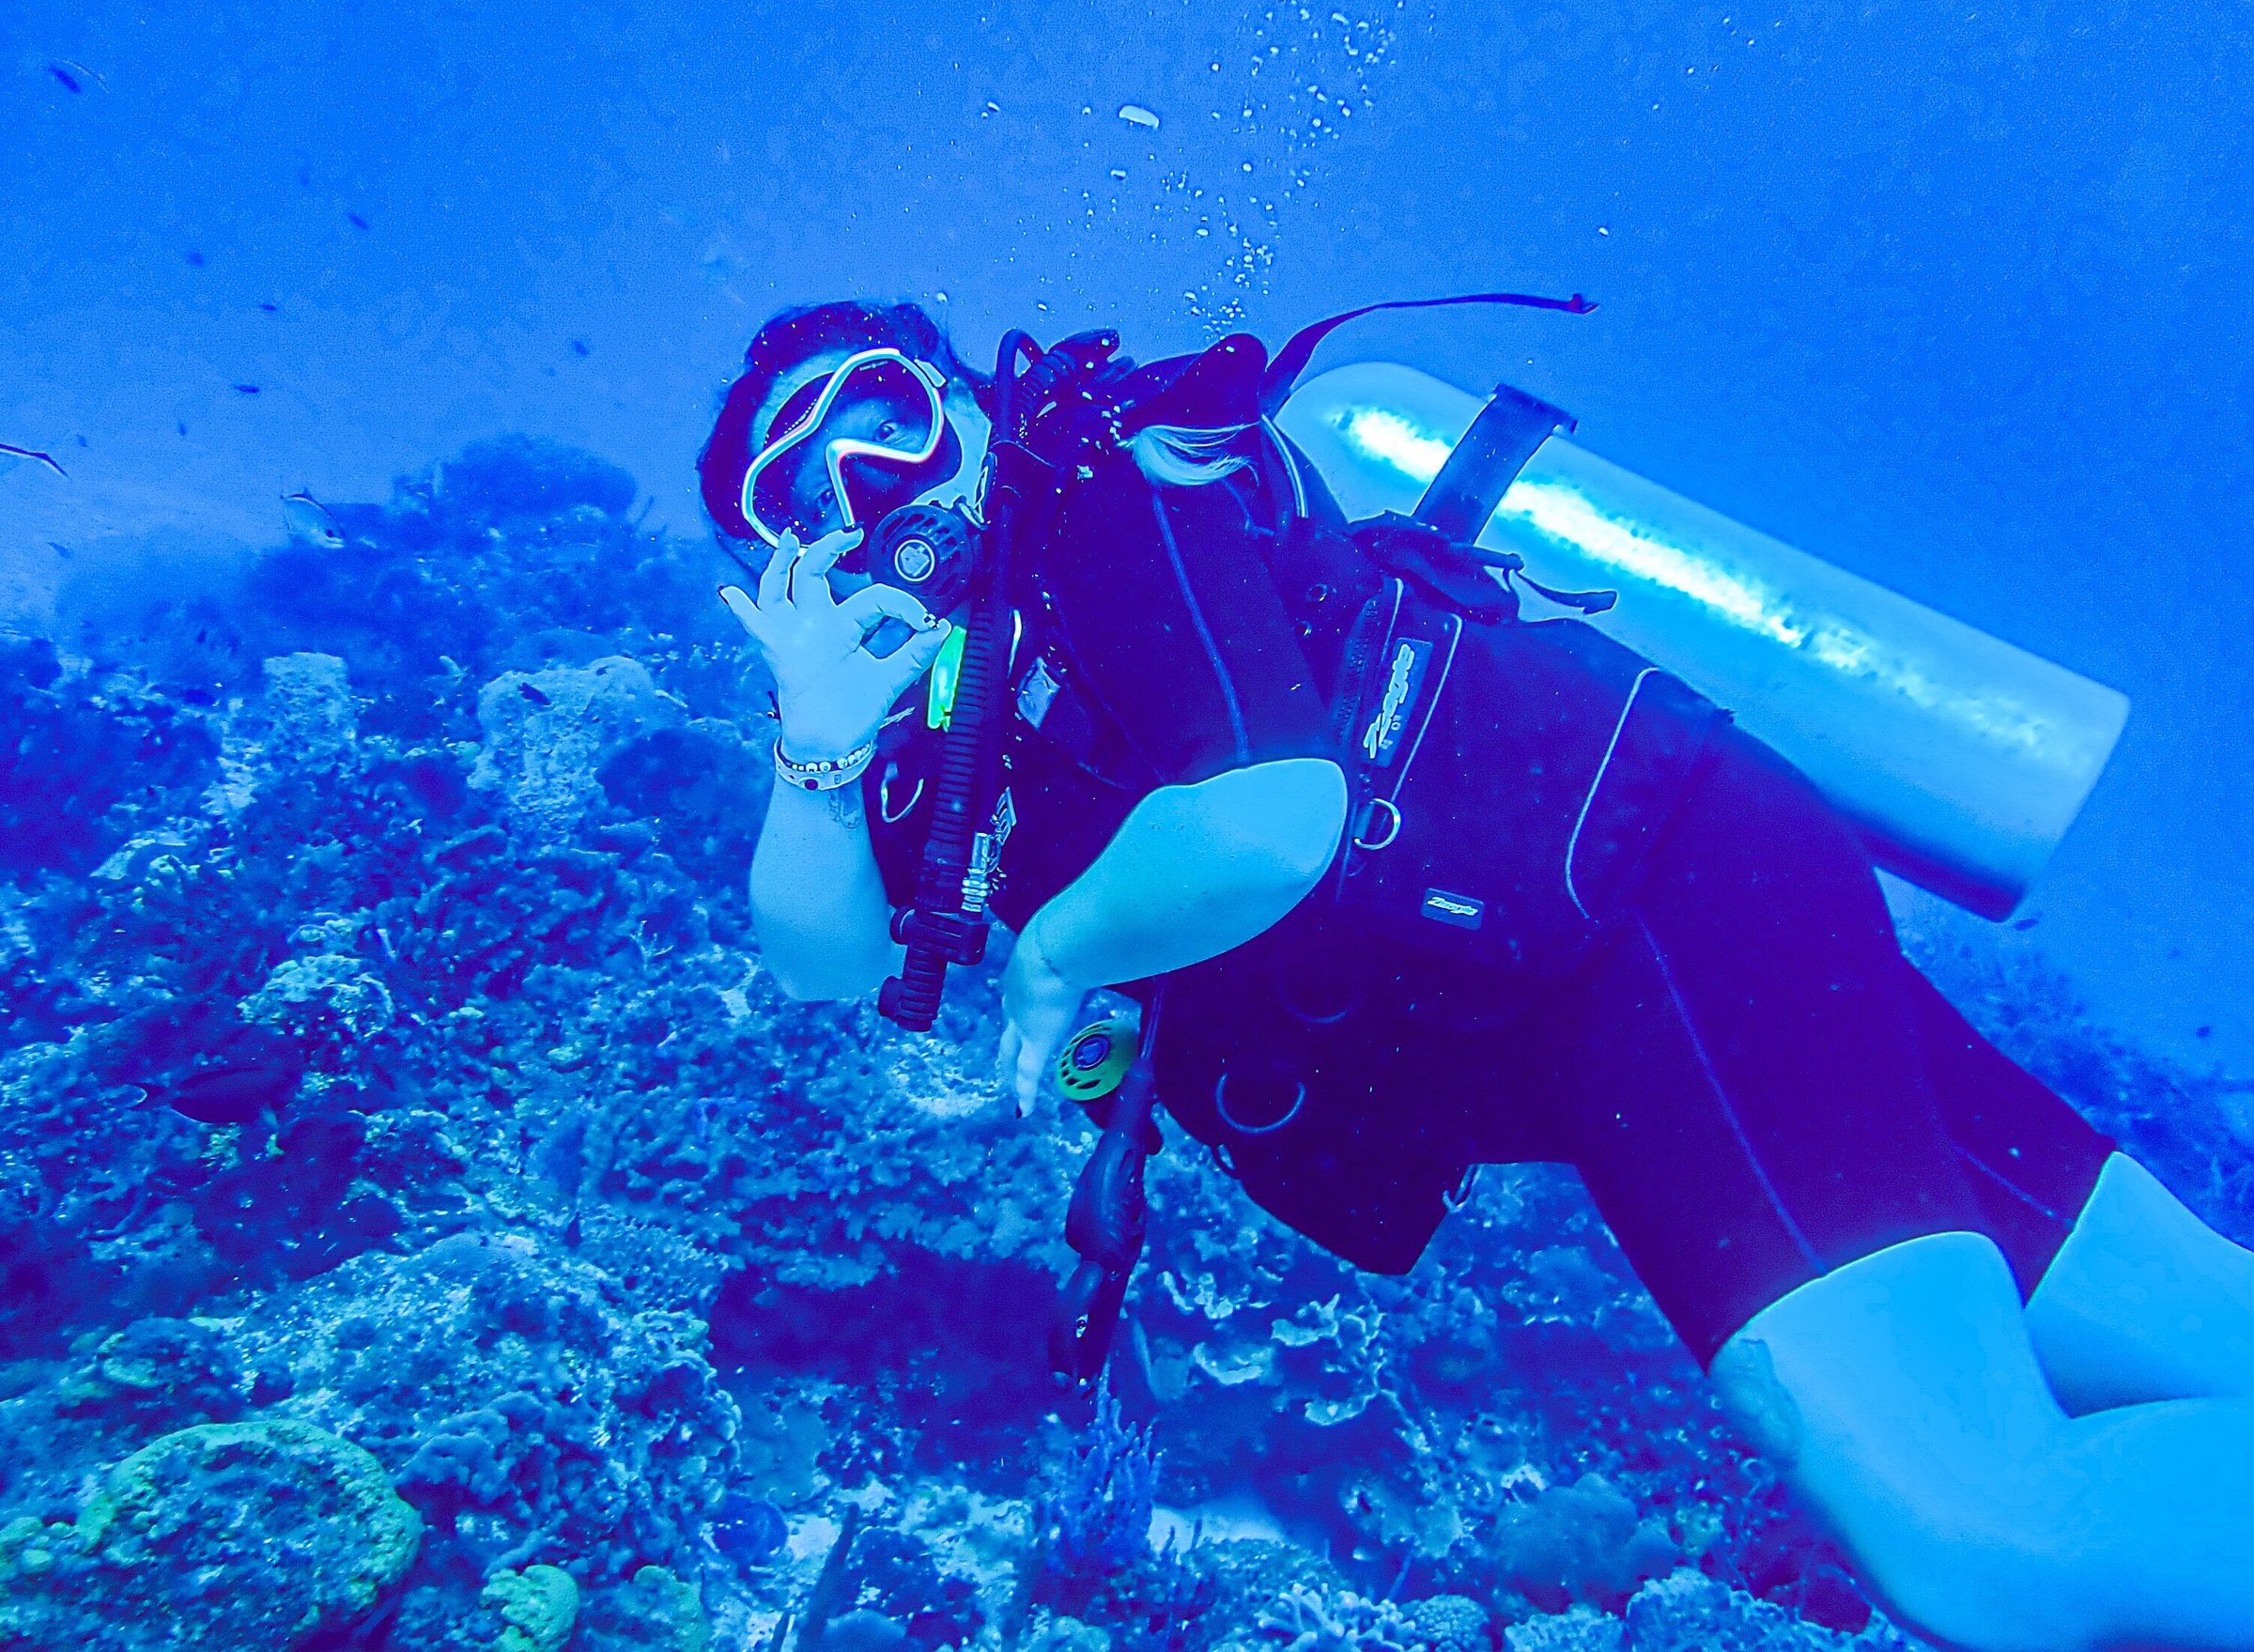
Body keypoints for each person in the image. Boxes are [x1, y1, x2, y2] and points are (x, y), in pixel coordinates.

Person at [702, 298, 2254, 1652]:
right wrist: (820, 749)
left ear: (966, 401)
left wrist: (1055, 950)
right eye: (802, 489)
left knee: (1982, 1536)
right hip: (1643, 944)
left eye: (882, 418)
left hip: (1648, 923)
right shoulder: (937, 744)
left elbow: (1268, 815)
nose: (864, 487)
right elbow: (825, 965)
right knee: (2192, 1328)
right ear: (788, 561)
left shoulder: (1108, 491)